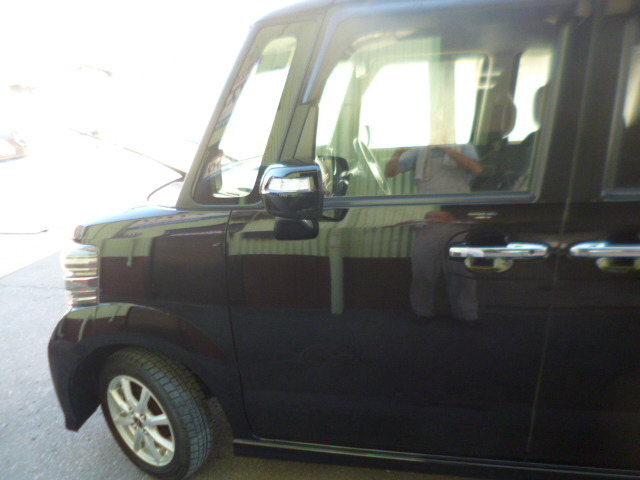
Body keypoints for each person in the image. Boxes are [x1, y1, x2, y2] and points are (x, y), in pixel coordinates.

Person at [385, 143, 481, 323]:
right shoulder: (418, 151)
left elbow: (476, 169)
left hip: (458, 219)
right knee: (423, 272)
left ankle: (467, 316)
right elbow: (390, 173)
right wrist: (397, 154)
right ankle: (423, 314)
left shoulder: (464, 147)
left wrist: (448, 150)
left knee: (463, 274)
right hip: (428, 220)